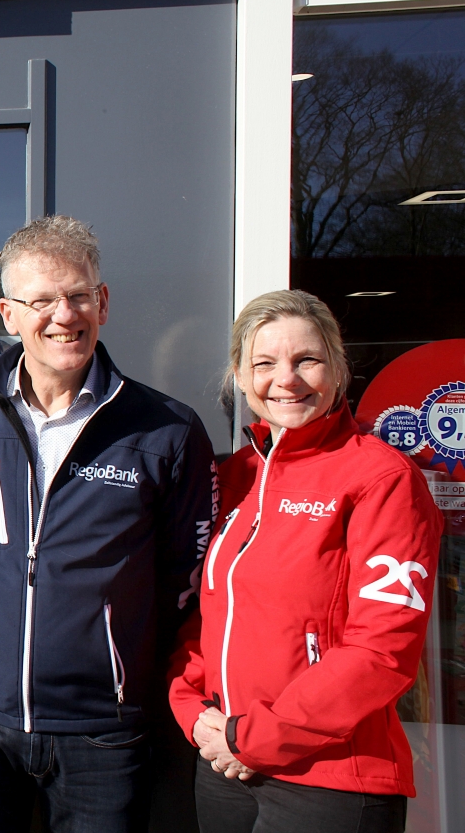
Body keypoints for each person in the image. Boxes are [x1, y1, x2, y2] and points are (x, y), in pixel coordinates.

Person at [0, 215, 218, 833]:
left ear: (103, 302)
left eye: (79, 295)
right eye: (42, 301)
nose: (64, 314)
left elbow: (191, 582)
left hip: (105, 734)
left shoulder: (167, 431)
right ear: (8, 316)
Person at [169, 290, 441, 833]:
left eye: (307, 360)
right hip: (223, 766)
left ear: (338, 369)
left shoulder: (382, 479)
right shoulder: (236, 474)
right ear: (242, 379)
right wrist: (193, 710)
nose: (286, 379)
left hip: (330, 779)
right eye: (264, 364)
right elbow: (209, 615)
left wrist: (254, 738)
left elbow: (382, 651)